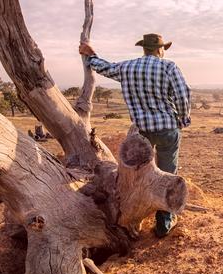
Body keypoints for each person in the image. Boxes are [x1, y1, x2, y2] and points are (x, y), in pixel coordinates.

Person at [79, 33, 191, 237]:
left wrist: (90, 55)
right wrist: (183, 119)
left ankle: (132, 213)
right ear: (160, 50)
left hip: (142, 133)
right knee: (167, 172)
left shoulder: (127, 67)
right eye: (163, 48)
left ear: (144, 49)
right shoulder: (168, 67)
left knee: (141, 175)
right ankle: (164, 223)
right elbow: (183, 95)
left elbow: (104, 67)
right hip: (167, 128)